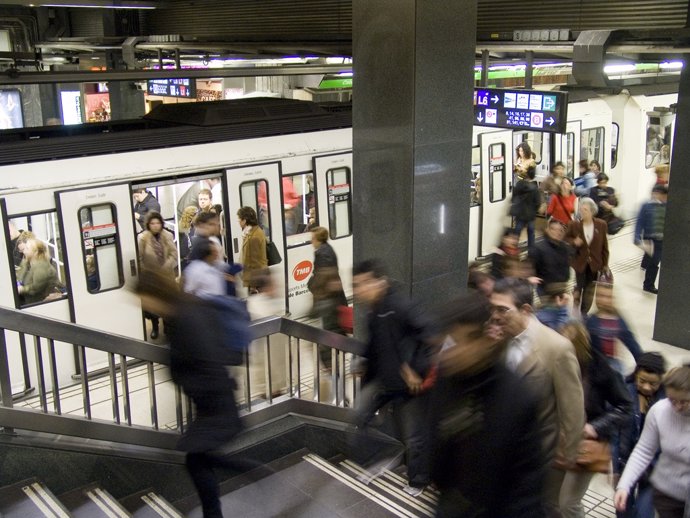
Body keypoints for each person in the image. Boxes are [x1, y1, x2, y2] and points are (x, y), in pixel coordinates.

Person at [135, 271, 248, 518]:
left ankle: (220, 506)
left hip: (214, 399)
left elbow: (202, 356)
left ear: (154, 294)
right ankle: (249, 472)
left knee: (195, 458)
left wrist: (183, 376)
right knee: (198, 457)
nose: (147, 306)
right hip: (213, 396)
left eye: (145, 299)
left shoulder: (184, 316)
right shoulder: (185, 308)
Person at [430, 292, 546, 517]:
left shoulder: (517, 399)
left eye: (456, 342)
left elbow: (527, 491)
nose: (448, 352)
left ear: (481, 340)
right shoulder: (446, 381)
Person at [489, 277, 585, 517]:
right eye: (492, 308)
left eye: (503, 309)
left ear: (526, 310)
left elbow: (572, 413)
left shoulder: (556, 348)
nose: (495, 316)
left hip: (542, 459)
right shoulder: (496, 340)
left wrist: (564, 458)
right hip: (503, 453)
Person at [351, 259, 439, 497]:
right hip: (385, 382)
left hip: (410, 386)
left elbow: (430, 334)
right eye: (356, 285)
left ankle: (419, 480)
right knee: (362, 416)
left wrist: (414, 369)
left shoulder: (401, 305)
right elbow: (374, 346)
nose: (358, 291)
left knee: (413, 435)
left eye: (362, 284)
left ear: (380, 282)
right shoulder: (373, 313)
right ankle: (386, 460)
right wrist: (364, 365)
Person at [555, 320, 632, 518]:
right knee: (554, 501)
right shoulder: (555, 365)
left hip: (586, 445)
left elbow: (625, 406)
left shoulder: (601, 371)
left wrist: (595, 427)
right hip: (558, 441)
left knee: (568, 503)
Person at [615, 365, 690, 518]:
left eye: (684, 401)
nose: (677, 407)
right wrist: (624, 485)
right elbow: (643, 451)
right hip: (666, 493)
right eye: (672, 400)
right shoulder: (660, 411)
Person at [614, 352, 667, 518]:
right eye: (642, 381)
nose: (646, 387)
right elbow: (614, 432)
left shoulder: (667, 402)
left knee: (644, 513)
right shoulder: (623, 392)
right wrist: (614, 468)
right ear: (636, 375)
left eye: (653, 383)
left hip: (654, 469)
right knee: (623, 510)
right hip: (625, 462)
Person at [565, 197, 610, 315]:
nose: (582, 212)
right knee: (579, 286)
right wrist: (574, 241)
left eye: (585, 210)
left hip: (595, 264)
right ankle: (576, 306)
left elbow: (604, 247)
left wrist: (605, 264)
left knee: (589, 289)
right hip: (580, 262)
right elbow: (565, 238)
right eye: (581, 209)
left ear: (592, 211)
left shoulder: (601, 225)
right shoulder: (574, 225)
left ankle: (584, 313)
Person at [586, 283, 643, 374]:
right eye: (600, 296)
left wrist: (643, 365)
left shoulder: (618, 321)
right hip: (595, 365)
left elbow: (632, 344)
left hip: (613, 365)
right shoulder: (590, 321)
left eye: (608, 297)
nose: (604, 300)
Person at [138, 212, 178, 339]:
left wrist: (166, 266)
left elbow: (173, 254)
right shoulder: (143, 238)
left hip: (167, 275)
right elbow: (140, 257)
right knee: (154, 306)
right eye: (152, 223)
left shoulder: (168, 236)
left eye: (158, 223)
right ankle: (155, 327)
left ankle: (167, 327)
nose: (155, 226)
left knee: (167, 303)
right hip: (152, 278)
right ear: (148, 224)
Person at [634, 184, 667, 294]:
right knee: (654, 262)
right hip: (651, 239)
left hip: (662, 239)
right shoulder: (646, 206)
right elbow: (640, 221)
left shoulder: (666, 205)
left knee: (655, 261)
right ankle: (648, 285)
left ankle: (649, 284)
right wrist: (637, 238)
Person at [529, 218, 573, 292]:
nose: (557, 232)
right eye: (553, 229)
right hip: (543, 289)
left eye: (561, 230)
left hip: (561, 288)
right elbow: (532, 268)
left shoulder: (566, 248)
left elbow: (566, 267)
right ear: (547, 230)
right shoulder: (538, 247)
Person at [17, 238, 61, 305]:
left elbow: (36, 288)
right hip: (31, 301)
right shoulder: (28, 263)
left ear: (36, 252)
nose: (24, 251)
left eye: (27, 248)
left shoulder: (42, 266)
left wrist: (21, 289)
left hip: (42, 303)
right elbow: (19, 277)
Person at [237, 206, 267, 293]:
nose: (238, 221)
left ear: (245, 220)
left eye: (239, 219)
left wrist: (253, 286)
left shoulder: (254, 237)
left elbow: (255, 262)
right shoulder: (250, 232)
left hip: (256, 282)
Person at [511, 165, 542, 249]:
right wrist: (533, 210)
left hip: (520, 213)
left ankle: (512, 249)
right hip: (530, 215)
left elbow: (513, 197)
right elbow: (538, 203)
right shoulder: (535, 188)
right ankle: (531, 251)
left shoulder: (519, 184)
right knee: (531, 233)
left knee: (517, 232)